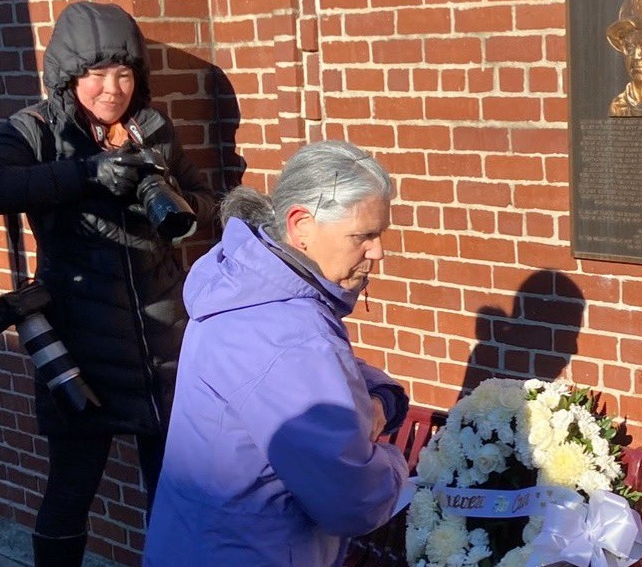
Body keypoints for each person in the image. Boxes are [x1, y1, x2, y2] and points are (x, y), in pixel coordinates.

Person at [0, 3, 216, 565]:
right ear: (68, 75)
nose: (111, 87)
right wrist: (86, 175)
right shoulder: (35, 129)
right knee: (70, 494)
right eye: (96, 72)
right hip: (79, 348)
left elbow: (208, 205)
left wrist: (171, 200)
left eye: (124, 73)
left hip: (162, 345)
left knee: (174, 495)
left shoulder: (153, 127)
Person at [142, 140, 410, 567]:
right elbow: (351, 500)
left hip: (195, 542)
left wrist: (378, 393)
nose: (378, 251)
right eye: (364, 235)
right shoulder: (290, 334)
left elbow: (298, 375)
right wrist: (396, 463)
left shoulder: (240, 281)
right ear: (301, 225)